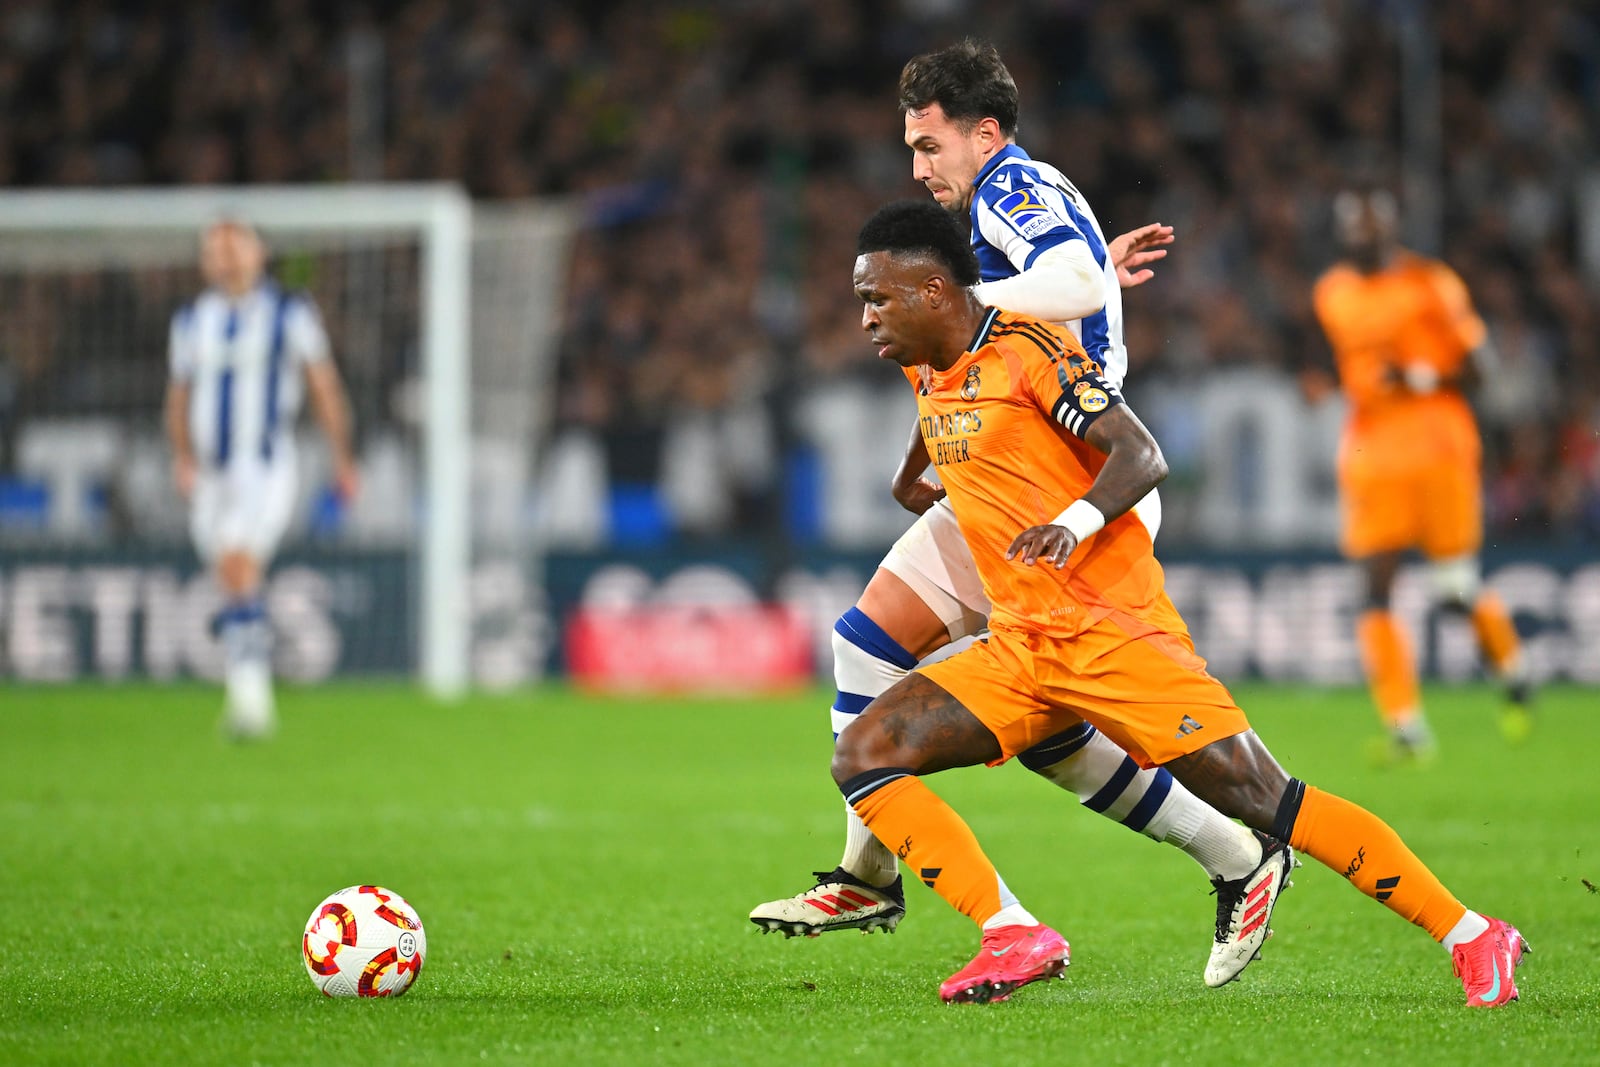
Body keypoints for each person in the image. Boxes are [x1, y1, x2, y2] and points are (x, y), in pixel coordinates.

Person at [835, 196, 1526, 1007]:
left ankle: (1473, 932)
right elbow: (944, 407)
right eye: (862, 301)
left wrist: (1071, 522)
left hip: (1114, 636)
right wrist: (908, 476)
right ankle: (1011, 931)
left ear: (933, 293)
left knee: (1270, 800)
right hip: (1021, 648)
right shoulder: (925, 362)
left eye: (877, 298)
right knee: (866, 753)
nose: (866, 318)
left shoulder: (1028, 352)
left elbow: (1141, 452)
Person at [750, 39, 1293, 991]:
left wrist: (986, 294)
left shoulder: (1007, 189)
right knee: (868, 643)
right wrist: (1072, 285)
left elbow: (1068, 286)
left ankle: (1236, 853)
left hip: (1059, 492)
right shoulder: (1011, 203)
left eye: (929, 146)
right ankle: (872, 873)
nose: (918, 169)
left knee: (1048, 726)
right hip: (1001, 482)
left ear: (984, 132)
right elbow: (1070, 291)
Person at [1312, 187, 1532, 761]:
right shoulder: (1332, 293)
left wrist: (1417, 378)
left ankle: (1512, 668)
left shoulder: (1431, 283)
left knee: (1453, 591)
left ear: (1391, 229)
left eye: (1371, 225)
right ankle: (1406, 727)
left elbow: (1481, 373)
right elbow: (1350, 368)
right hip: (1373, 456)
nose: (1361, 236)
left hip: (1439, 449)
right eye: (1352, 227)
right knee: (1374, 590)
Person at [164, 219, 358, 739]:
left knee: (236, 560)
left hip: (265, 467)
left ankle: (251, 702)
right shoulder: (190, 320)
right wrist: (181, 456)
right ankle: (250, 689)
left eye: (236, 246)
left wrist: (342, 457)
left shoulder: (290, 311)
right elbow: (179, 396)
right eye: (216, 249)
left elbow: (323, 383)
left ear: (259, 253)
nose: (226, 258)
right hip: (209, 473)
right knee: (234, 580)